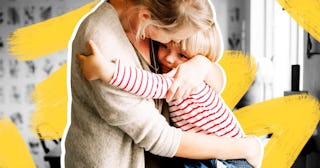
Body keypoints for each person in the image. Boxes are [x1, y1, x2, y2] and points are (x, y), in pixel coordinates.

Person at [62, 0, 263, 167]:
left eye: (183, 53)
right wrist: (245, 148)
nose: (170, 54)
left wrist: (201, 65)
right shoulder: (101, 41)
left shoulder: (153, 27)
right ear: (145, 18)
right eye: (173, 39)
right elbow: (159, 137)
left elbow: (216, 85)